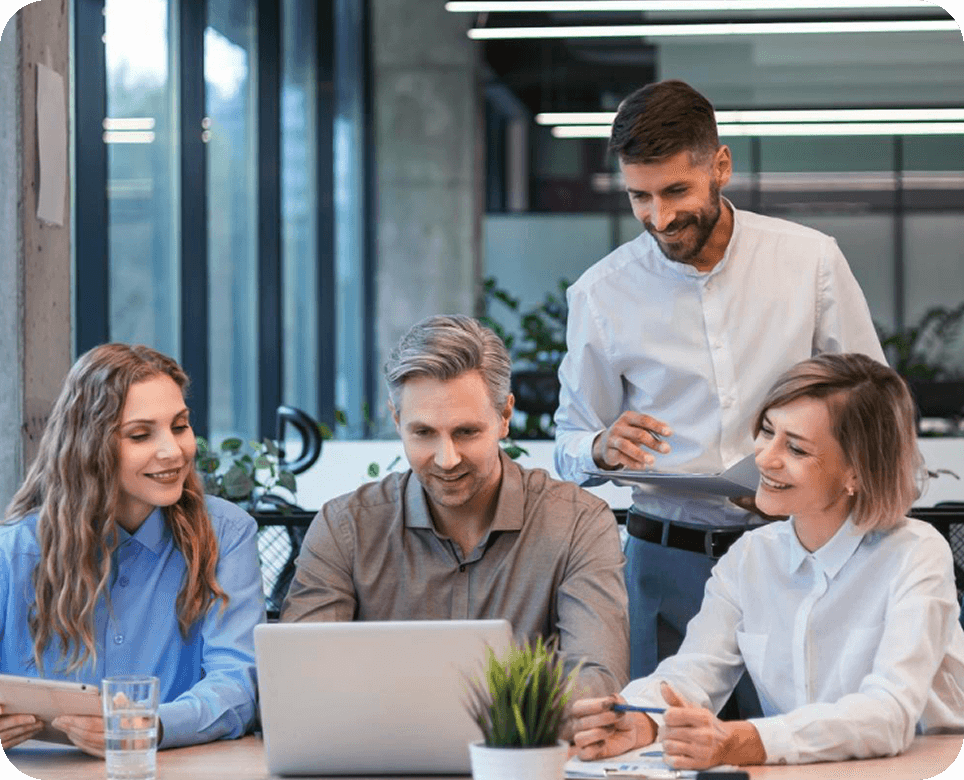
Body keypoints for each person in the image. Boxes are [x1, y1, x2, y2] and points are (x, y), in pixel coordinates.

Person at [553, 79, 886, 684]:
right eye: (640, 197)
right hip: (663, 561)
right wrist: (598, 447)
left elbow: (875, 409)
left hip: (797, 552)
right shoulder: (601, 294)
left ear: (721, 166)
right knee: (660, 752)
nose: (660, 217)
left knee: (802, 752)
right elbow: (571, 441)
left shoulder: (809, 262)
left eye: (677, 190)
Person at [570, 354, 964, 768]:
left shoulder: (916, 554)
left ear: (856, 472)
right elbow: (693, 674)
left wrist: (746, 738)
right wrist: (639, 719)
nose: (764, 458)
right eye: (767, 431)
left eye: (795, 448)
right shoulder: (749, 558)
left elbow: (888, 715)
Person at [281, 314, 629, 699]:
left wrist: (409, 693)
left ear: (504, 417)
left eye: (466, 432)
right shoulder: (345, 528)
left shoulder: (578, 524)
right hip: (380, 757)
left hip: (521, 756)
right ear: (397, 421)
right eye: (423, 433)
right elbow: (298, 680)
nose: (446, 459)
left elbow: (598, 681)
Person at [0, 344, 264, 755]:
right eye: (141, 434)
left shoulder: (226, 535)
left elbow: (238, 682)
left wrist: (153, 727)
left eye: (180, 426)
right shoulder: (12, 553)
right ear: (88, 446)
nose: (173, 451)